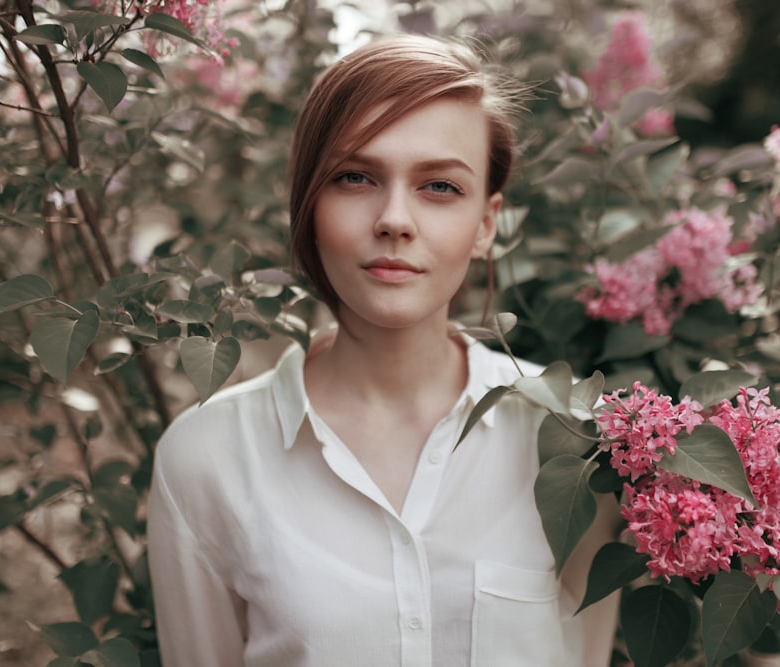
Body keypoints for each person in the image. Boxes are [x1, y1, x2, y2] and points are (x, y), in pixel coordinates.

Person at [147, 34, 619, 666]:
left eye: (441, 187)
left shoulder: (578, 440)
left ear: (487, 223)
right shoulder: (206, 460)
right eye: (355, 177)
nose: (395, 218)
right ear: (309, 205)